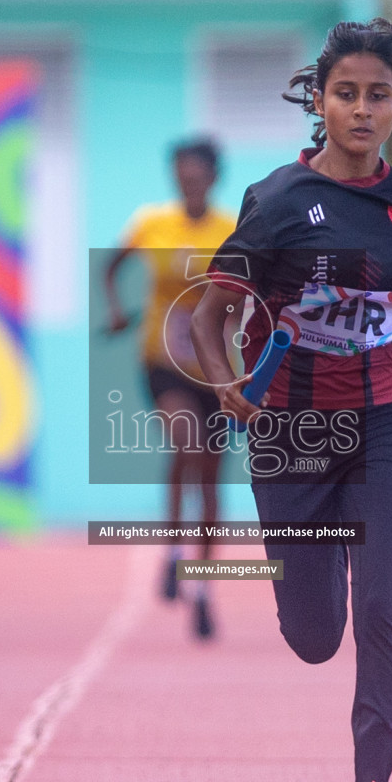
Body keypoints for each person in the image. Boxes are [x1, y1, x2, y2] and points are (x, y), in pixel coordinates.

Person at [189, 18, 392, 782]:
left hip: (381, 426)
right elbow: (209, 316)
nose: (362, 109)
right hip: (290, 434)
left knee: (384, 609)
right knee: (314, 637)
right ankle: (319, 573)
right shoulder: (274, 203)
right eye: (346, 93)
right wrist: (225, 381)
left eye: (378, 95)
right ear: (319, 99)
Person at [104, 138, 237, 639]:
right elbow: (112, 266)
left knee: (211, 475)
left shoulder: (231, 231)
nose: (187, 180)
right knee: (186, 442)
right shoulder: (151, 224)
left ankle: (202, 585)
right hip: (161, 360)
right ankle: (173, 550)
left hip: (218, 369)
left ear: (212, 177)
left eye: (196, 173)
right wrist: (117, 311)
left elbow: (254, 289)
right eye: (180, 172)